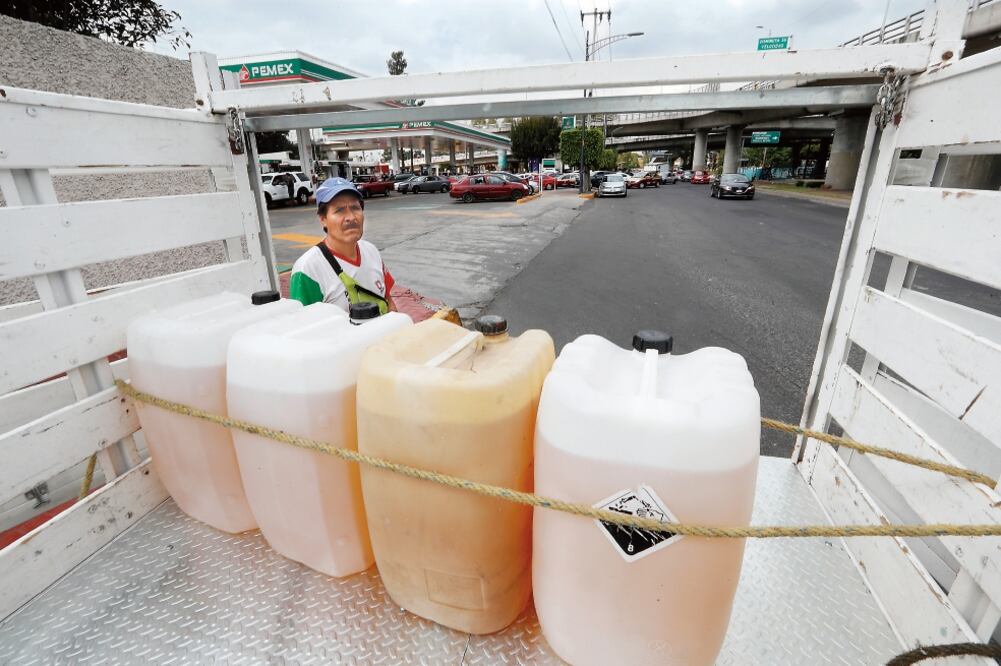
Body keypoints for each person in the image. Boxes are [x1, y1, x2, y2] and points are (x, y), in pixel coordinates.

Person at [288, 177, 397, 313]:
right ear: (323, 219)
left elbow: (388, 302)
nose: (351, 217)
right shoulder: (307, 270)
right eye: (339, 210)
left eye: (355, 208)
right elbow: (303, 327)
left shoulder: (371, 251)